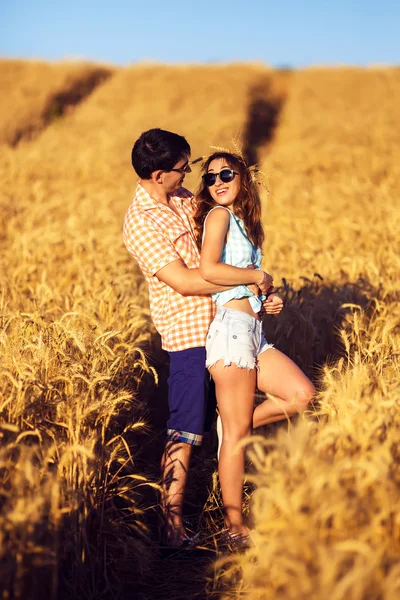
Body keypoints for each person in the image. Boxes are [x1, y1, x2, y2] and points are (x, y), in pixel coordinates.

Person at [122, 129, 273, 548]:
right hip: (189, 330)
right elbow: (188, 282)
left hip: (227, 322)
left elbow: (227, 244)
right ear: (157, 175)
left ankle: (231, 436)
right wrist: (247, 281)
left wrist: (245, 280)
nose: (188, 173)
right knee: (185, 429)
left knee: (221, 418)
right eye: (180, 168)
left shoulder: (185, 198)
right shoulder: (140, 223)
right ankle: (171, 529)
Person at [194, 151, 316, 543]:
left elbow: (243, 282)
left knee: (302, 395)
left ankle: (234, 428)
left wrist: (267, 298)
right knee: (237, 435)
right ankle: (234, 529)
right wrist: (257, 275)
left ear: (242, 177)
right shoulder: (218, 216)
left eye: (225, 173)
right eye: (210, 177)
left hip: (255, 331)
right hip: (231, 331)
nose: (218, 181)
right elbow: (209, 270)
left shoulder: (246, 223)